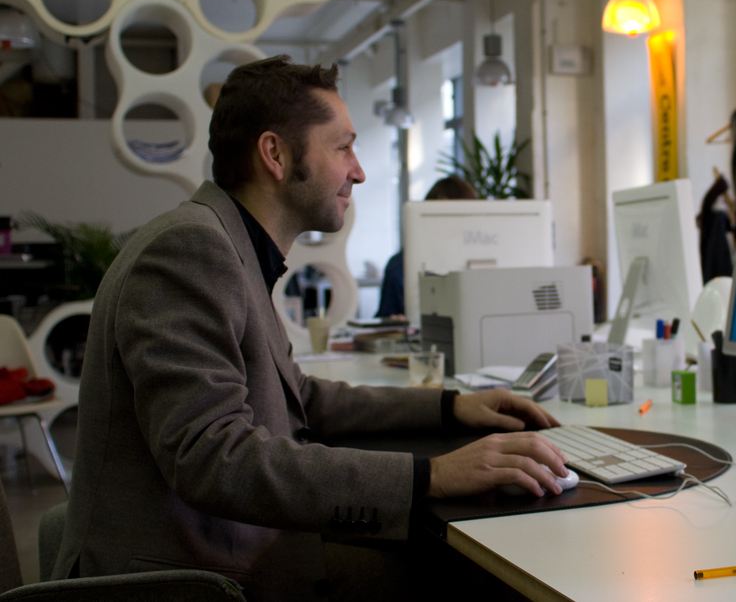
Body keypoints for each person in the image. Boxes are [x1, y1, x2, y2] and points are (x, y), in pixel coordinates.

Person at [52, 57, 569, 601]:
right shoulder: (191, 250)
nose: (359, 171)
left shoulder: (231, 246)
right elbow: (211, 457)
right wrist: (429, 477)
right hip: (187, 578)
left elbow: (297, 396)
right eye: (343, 147)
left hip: (230, 548)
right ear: (274, 154)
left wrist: (449, 407)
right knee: (463, 574)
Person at [375, 175, 477, 319]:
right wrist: (392, 322)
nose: (449, 224)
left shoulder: (478, 260)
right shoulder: (399, 265)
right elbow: (385, 319)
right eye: (442, 216)